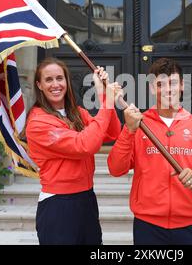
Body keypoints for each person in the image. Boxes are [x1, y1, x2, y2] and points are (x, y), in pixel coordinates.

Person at [107, 58, 192, 245]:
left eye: (172, 82)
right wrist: (129, 130)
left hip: (189, 225)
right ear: (151, 88)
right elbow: (116, 168)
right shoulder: (139, 124)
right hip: (148, 226)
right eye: (160, 84)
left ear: (182, 85)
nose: (167, 89)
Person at [25, 57, 122, 245]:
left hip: (86, 199)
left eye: (60, 78)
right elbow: (85, 145)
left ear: (67, 81)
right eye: (49, 80)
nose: (56, 84)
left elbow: (111, 132)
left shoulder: (76, 113)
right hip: (58, 205)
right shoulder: (38, 122)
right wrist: (108, 103)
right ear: (39, 85)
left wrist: (103, 94)